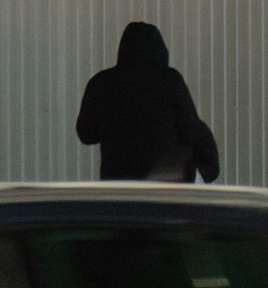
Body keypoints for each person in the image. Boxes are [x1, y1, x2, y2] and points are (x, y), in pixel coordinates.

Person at [75, 21, 222, 182]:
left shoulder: (101, 82)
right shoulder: (169, 80)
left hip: (118, 185)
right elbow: (190, 130)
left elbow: (86, 134)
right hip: (166, 184)